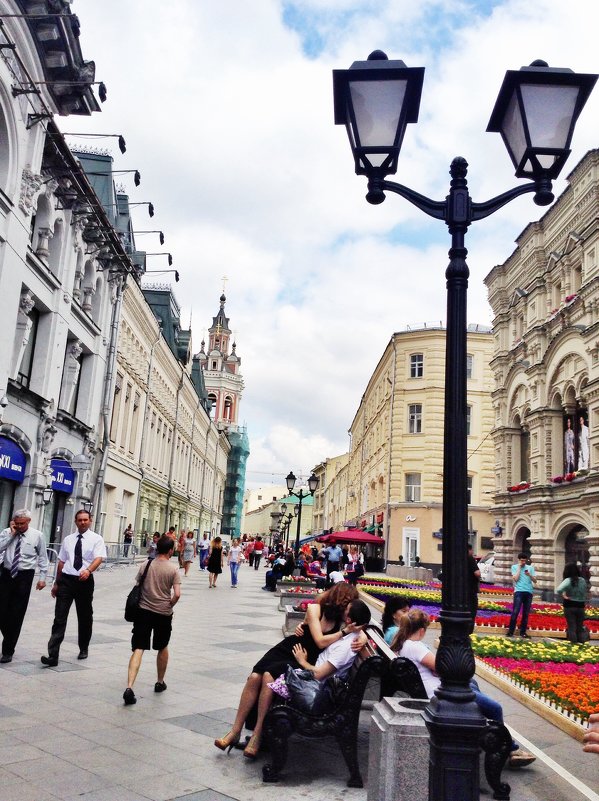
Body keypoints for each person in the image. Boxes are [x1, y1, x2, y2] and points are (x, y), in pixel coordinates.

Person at [214, 583, 362, 758]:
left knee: (268, 677)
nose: (348, 609)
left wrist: (363, 636)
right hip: (291, 649)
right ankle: (235, 731)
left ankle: (258, 734)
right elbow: (320, 641)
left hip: (304, 659)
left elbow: (363, 627)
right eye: (347, 603)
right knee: (255, 677)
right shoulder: (316, 609)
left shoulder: (342, 621)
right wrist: (344, 632)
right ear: (340, 600)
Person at [390, 609, 535, 768]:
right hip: (442, 694)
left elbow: (436, 667)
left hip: (434, 689)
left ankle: (506, 744)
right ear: (422, 630)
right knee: (495, 708)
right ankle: (507, 750)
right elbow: (445, 668)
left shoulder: (403, 644)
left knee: (472, 683)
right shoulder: (415, 646)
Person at [41, 510, 107, 666]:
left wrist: (89, 570)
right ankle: (53, 655)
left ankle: (83, 647)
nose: (82, 522)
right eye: (79, 520)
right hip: (66, 581)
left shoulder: (96, 539)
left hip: (84, 581)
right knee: (59, 618)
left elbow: (99, 558)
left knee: (84, 616)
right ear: (76, 522)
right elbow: (62, 561)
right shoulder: (68, 539)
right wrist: (57, 583)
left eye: (85, 520)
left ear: (90, 520)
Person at [123, 535, 181, 705]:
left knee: (139, 648)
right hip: (163, 613)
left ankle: (129, 686)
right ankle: (160, 682)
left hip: (143, 612)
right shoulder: (173, 569)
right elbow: (177, 594)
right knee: (162, 646)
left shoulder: (145, 564)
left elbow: (138, 584)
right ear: (171, 550)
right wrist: (169, 604)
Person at [0, 510, 48, 663]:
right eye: (17, 523)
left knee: (16, 614)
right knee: (1, 612)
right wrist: (11, 535)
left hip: (24, 577)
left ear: (29, 521)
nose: (20, 526)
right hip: (7, 574)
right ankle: (9, 636)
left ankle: (8, 650)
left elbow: (43, 557)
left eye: (22, 523)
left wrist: (42, 578)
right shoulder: (7, 532)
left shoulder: (37, 535)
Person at [555, 562, 588, 644]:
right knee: (579, 627)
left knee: (572, 627)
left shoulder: (568, 580)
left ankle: (573, 645)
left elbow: (559, 589)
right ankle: (581, 645)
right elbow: (585, 591)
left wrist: (564, 595)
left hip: (569, 606)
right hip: (581, 606)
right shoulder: (582, 580)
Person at [507, 553, 536, 638]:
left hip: (528, 592)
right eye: (521, 560)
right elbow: (515, 579)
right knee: (515, 611)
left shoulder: (530, 568)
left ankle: (523, 632)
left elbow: (535, 581)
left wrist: (529, 575)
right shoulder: (514, 567)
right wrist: (519, 568)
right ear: (518, 560)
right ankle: (510, 631)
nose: (523, 562)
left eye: (524, 560)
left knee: (526, 613)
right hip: (519, 591)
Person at [467, 544, 481, 633]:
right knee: (471, 612)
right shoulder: (470, 559)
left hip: (461, 591)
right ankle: (468, 633)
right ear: (469, 550)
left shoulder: (457, 559)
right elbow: (477, 573)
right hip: (471, 590)